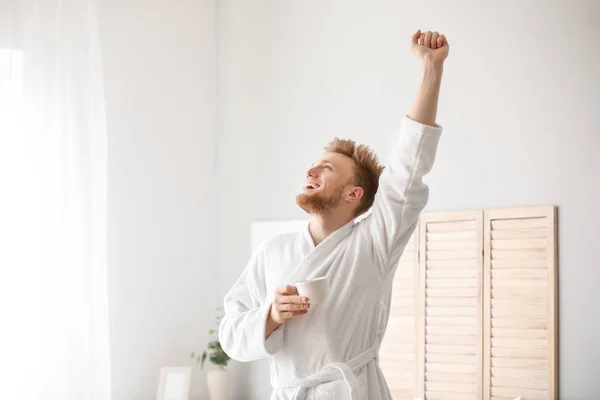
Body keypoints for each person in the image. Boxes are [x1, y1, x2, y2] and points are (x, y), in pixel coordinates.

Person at [219, 29, 449, 399]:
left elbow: (408, 168)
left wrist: (430, 69)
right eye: (312, 165)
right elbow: (230, 334)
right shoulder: (273, 251)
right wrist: (271, 316)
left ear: (353, 193)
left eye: (325, 168)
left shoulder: (374, 244)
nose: (310, 172)